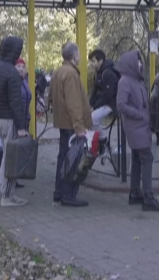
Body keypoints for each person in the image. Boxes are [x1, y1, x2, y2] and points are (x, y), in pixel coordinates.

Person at [116, 50, 159, 211]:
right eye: (137, 61)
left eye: (140, 61)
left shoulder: (137, 80)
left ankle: (135, 192)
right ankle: (148, 197)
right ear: (130, 63)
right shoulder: (125, 81)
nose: (140, 63)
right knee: (147, 158)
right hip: (135, 126)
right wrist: (139, 115)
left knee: (138, 158)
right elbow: (121, 104)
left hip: (141, 126)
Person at [0, 37, 28, 207]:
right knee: (11, 159)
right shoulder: (11, 72)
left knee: (5, 158)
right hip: (11, 120)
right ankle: (7, 196)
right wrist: (21, 127)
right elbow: (15, 102)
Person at [51, 42, 92, 207]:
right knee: (73, 161)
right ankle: (68, 194)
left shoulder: (58, 72)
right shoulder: (71, 74)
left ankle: (59, 191)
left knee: (63, 157)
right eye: (79, 53)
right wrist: (79, 128)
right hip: (72, 126)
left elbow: (51, 97)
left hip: (62, 122)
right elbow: (74, 104)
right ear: (74, 56)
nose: (80, 57)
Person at [88, 49, 120, 131]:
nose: (90, 64)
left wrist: (94, 107)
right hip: (102, 103)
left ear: (101, 61)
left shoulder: (108, 73)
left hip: (111, 104)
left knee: (92, 119)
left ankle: (102, 139)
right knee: (87, 118)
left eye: (93, 61)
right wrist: (90, 104)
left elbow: (108, 95)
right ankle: (97, 139)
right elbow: (95, 91)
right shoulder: (98, 73)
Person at [17, 58, 32, 130]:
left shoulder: (25, 82)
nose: (21, 69)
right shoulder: (13, 81)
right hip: (16, 121)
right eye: (18, 66)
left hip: (25, 119)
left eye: (23, 67)